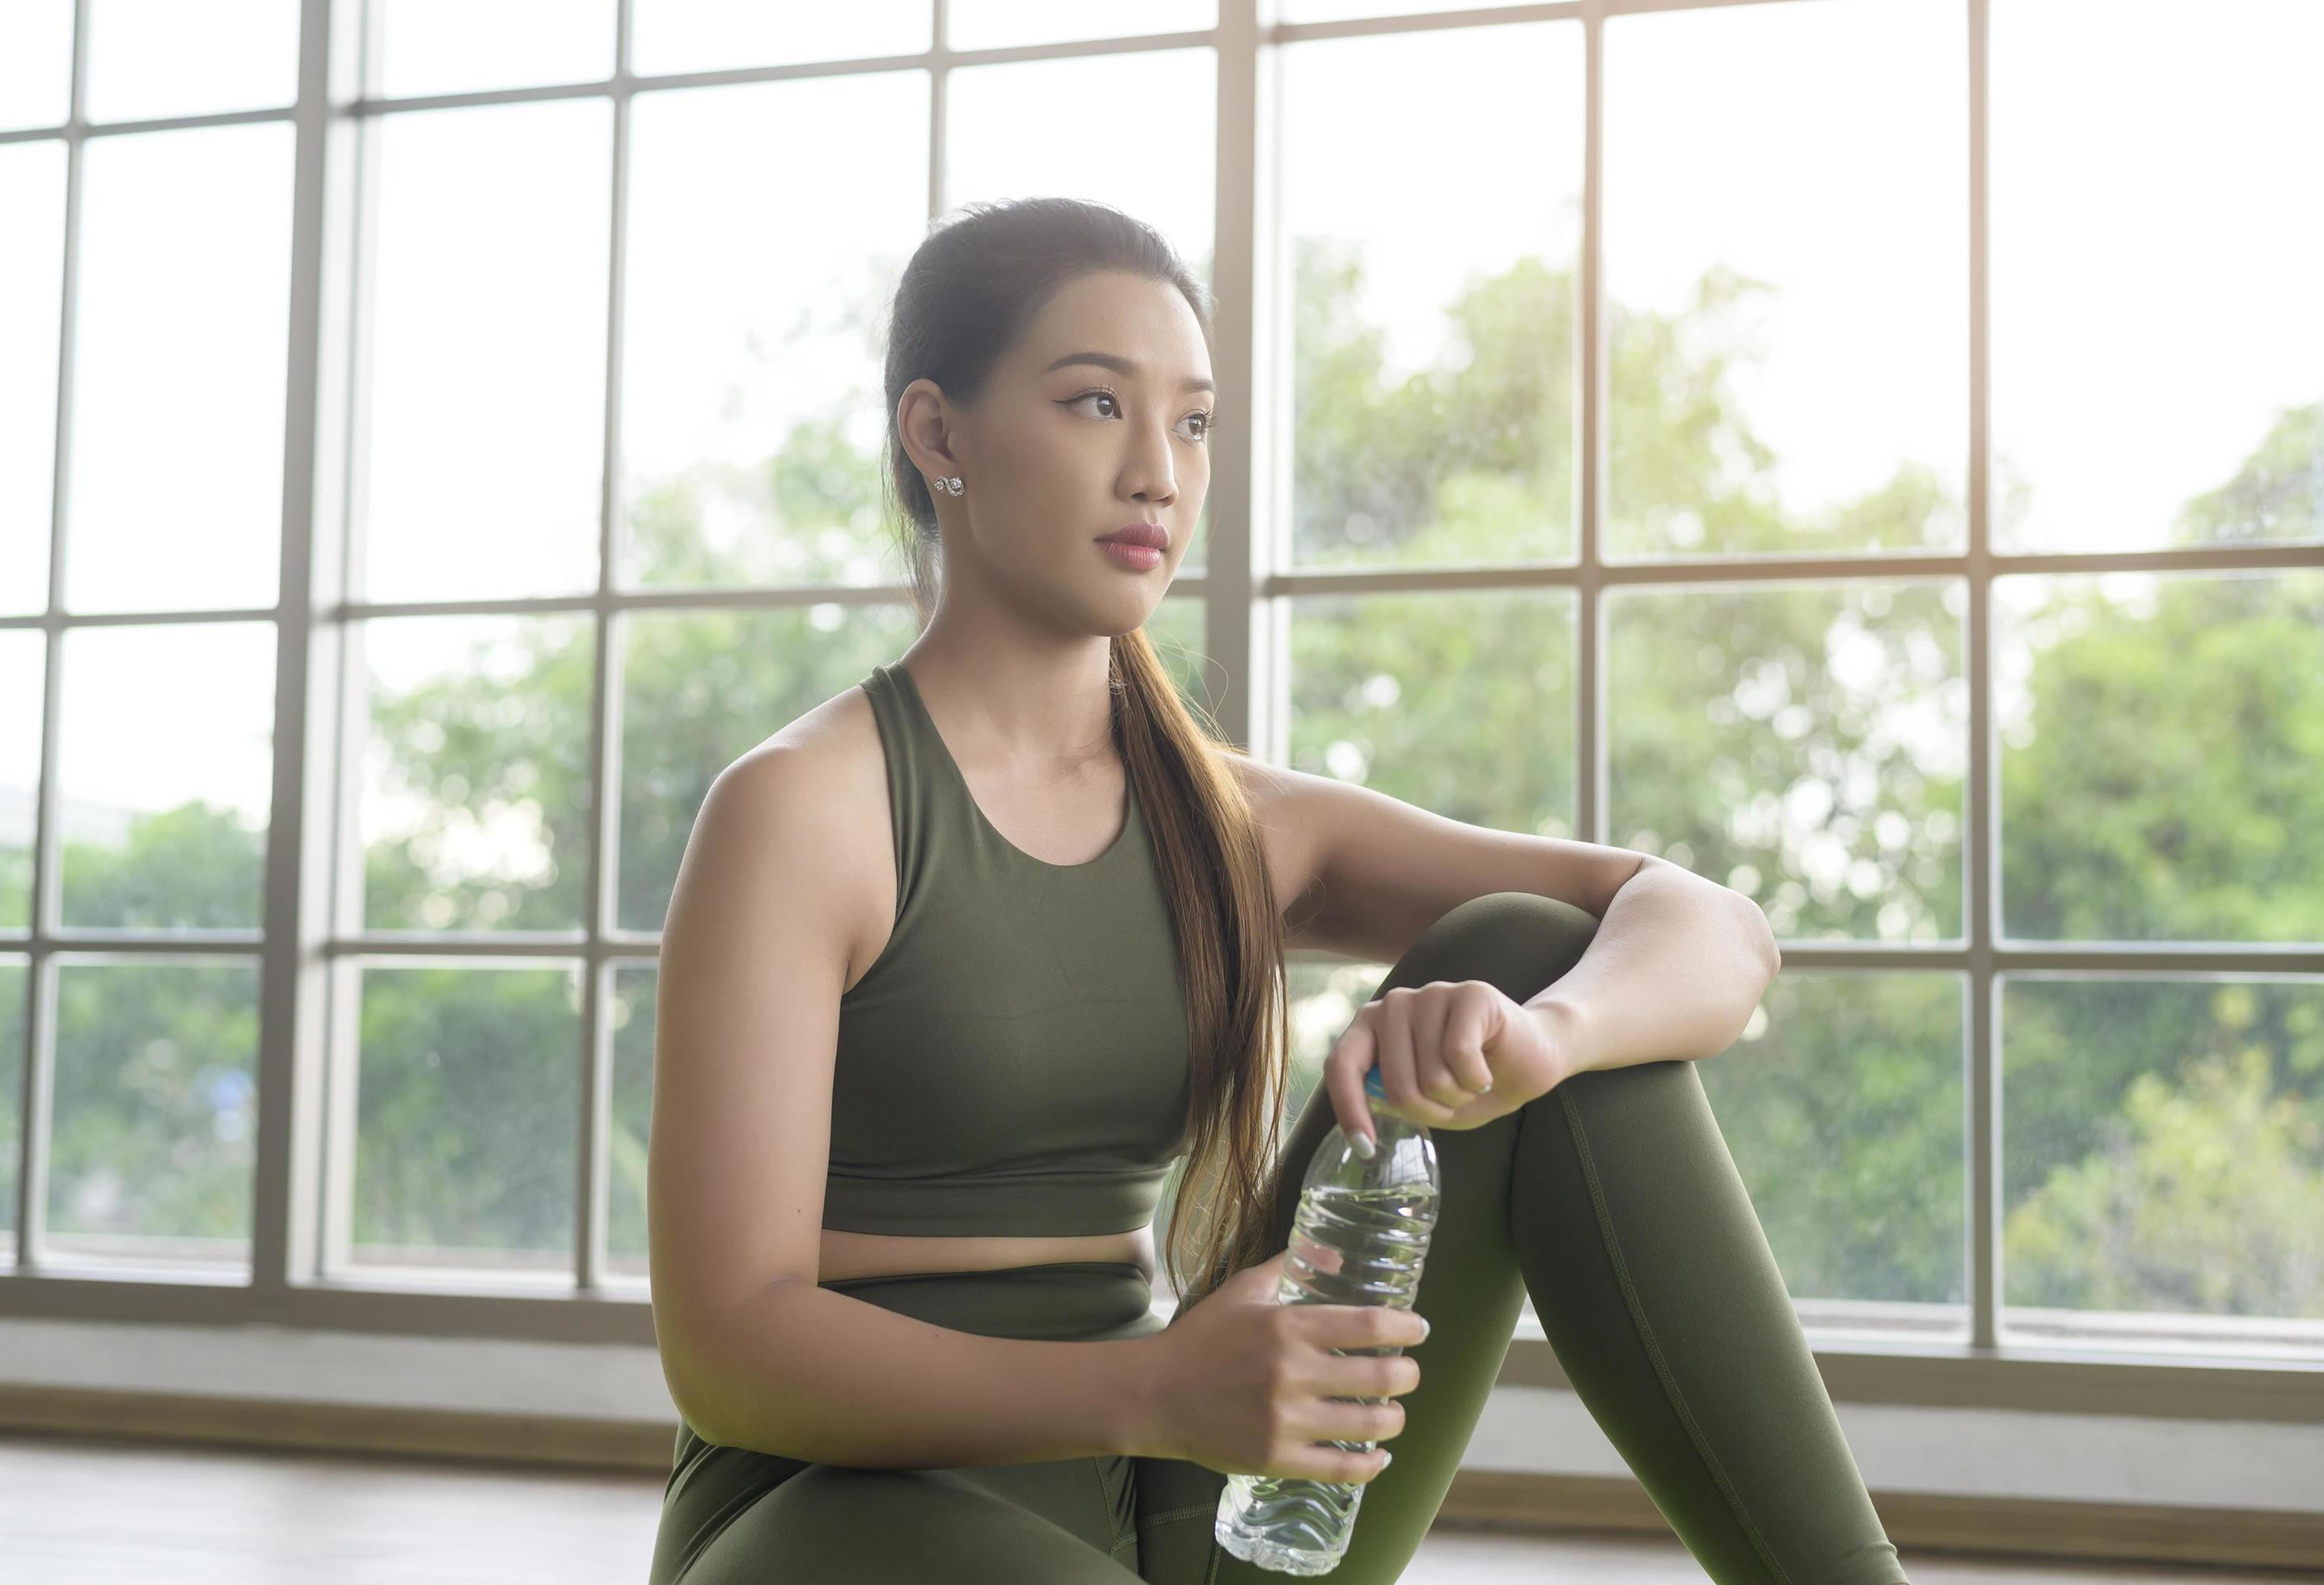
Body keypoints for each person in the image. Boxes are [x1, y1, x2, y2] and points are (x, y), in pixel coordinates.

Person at [644, 195, 1911, 1584]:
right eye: (1091, 406)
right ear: (937, 434)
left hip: (1197, 1472)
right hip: (844, 1498)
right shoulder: (803, 812)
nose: (1157, 476)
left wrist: (1535, 1042)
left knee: (1526, 951)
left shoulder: (1227, 822)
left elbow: (1712, 930)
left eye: (1191, 423)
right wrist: (1152, 1391)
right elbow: (730, 1347)